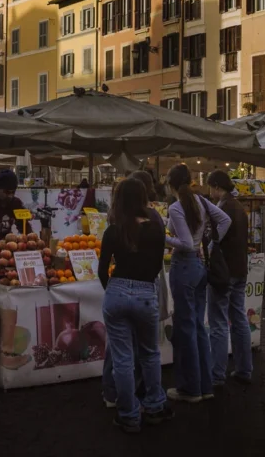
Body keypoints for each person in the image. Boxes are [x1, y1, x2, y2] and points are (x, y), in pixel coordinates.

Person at [98, 177, 173, 433]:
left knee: (122, 358)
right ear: (143, 199)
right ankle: (154, 405)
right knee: (150, 353)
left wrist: (114, 291)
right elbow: (155, 267)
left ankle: (129, 414)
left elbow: (101, 271)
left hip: (116, 292)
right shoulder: (155, 228)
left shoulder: (113, 230)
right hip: (145, 293)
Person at [165, 163, 231, 403]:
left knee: (185, 328)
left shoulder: (176, 207)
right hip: (200, 268)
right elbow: (224, 221)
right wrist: (210, 245)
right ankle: (205, 385)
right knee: (198, 326)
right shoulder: (201, 202)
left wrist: (162, 237)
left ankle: (190, 388)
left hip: (184, 267)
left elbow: (184, 242)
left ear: (171, 183)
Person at [204, 170, 253, 387]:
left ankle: (217, 374)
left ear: (216, 186)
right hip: (240, 269)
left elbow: (214, 239)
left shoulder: (222, 209)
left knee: (219, 323)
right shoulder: (240, 208)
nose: (209, 192)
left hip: (223, 272)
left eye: (210, 187)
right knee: (240, 319)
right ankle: (244, 369)